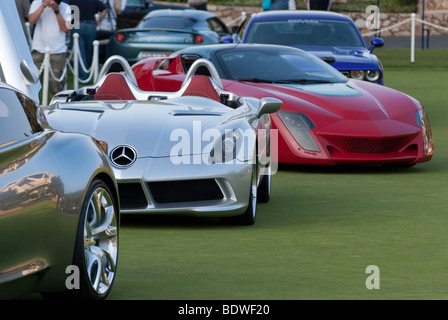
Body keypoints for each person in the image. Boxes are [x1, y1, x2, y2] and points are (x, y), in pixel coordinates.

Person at [28, 0, 71, 98]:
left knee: (56, 88)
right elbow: (31, 20)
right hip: (38, 50)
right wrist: (43, 5)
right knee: (31, 84)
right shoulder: (37, 3)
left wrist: (56, 10)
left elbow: (65, 28)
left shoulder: (66, 7)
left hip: (58, 51)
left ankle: (53, 111)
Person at [66, 0, 108, 79]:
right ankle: (87, 71)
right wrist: (99, 21)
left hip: (76, 24)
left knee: (79, 52)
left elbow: (66, 9)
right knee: (89, 51)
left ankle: (83, 75)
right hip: (90, 25)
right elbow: (105, 9)